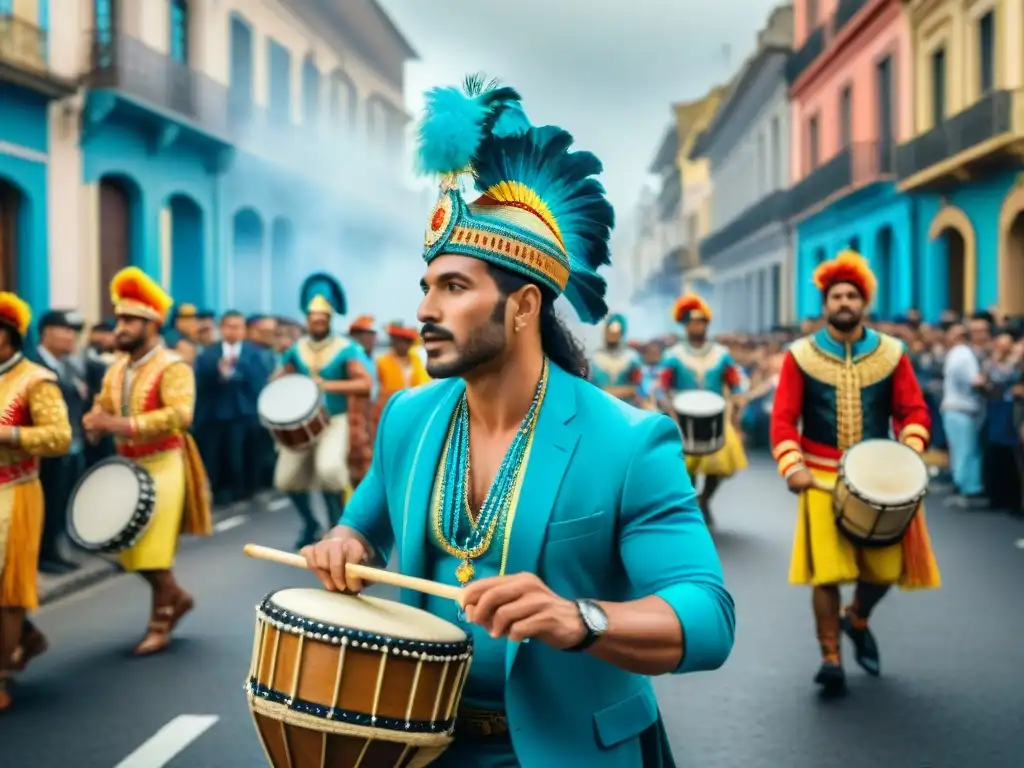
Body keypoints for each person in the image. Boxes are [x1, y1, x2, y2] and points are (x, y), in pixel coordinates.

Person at [300, 77, 734, 767]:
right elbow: (361, 526)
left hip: (570, 753)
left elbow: (708, 619)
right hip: (419, 746)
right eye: (426, 288)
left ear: (524, 307)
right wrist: (345, 543)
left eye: (454, 287)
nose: (424, 312)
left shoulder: (629, 441)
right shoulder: (406, 418)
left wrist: (580, 618)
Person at [769, 250, 941, 694]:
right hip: (820, 478)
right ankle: (830, 656)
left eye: (852, 295)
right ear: (825, 304)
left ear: (863, 303)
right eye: (836, 296)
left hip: (882, 481)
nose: (844, 302)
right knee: (826, 575)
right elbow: (783, 419)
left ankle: (857, 616)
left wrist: (910, 454)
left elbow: (914, 411)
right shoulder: (800, 355)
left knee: (884, 572)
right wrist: (793, 467)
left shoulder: (892, 353)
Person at [83, 267, 213, 656]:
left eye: (129, 321)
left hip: (164, 462)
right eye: (120, 319)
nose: (119, 327)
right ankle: (178, 599)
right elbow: (103, 404)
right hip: (125, 464)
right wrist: (94, 420)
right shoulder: (117, 367)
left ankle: (161, 622)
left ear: (152, 324)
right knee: (127, 549)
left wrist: (118, 423)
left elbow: (182, 415)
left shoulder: (173, 366)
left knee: (152, 549)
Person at [0, 293, 73, 712]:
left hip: (18, 490)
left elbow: (59, 436)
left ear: (10, 335)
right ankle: (26, 638)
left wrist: (9, 435)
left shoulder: (35, 379)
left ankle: (3, 674)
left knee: (8, 591)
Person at [273, 274, 373, 547]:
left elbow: (365, 383)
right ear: (307, 320)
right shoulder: (296, 349)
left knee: (329, 471)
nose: (317, 322)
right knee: (286, 478)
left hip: (334, 419)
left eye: (322, 318)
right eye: (312, 318)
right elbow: (278, 378)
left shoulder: (345, 349)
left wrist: (327, 384)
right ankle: (310, 524)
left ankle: (337, 528)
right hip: (302, 421)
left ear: (329, 320)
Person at [660, 294, 748, 526]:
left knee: (718, 468)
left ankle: (705, 499)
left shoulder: (721, 354)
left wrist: (738, 397)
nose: (697, 326)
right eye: (692, 322)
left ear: (707, 325)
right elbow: (661, 386)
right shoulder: (673, 355)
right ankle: (690, 504)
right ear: (685, 325)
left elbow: (734, 381)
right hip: (683, 419)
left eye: (701, 322)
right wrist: (668, 408)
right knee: (685, 470)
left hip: (716, 418)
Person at [590, 313, 641, 403]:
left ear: (622, 332)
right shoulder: (594, 358)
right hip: (599, 407)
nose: (612, 335)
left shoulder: (632, 358)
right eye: (609, 330)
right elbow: (588, 388)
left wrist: (609, 392)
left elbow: (638, 389)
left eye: (616, 331)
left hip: (625, 410)